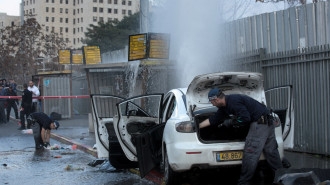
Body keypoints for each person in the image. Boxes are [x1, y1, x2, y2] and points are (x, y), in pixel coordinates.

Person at [199, 88, 283, 185]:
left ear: (216, 100)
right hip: (268, 122)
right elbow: (214, 119)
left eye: (212, 102)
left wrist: (231, 122)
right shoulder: (224, 107)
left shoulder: (233, 102)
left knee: (250, 154)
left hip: (259, 125)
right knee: (271, 152)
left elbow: (245, 118)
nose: (212, 104)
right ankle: (282, 178)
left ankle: (243, 183)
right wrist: (198, 126)